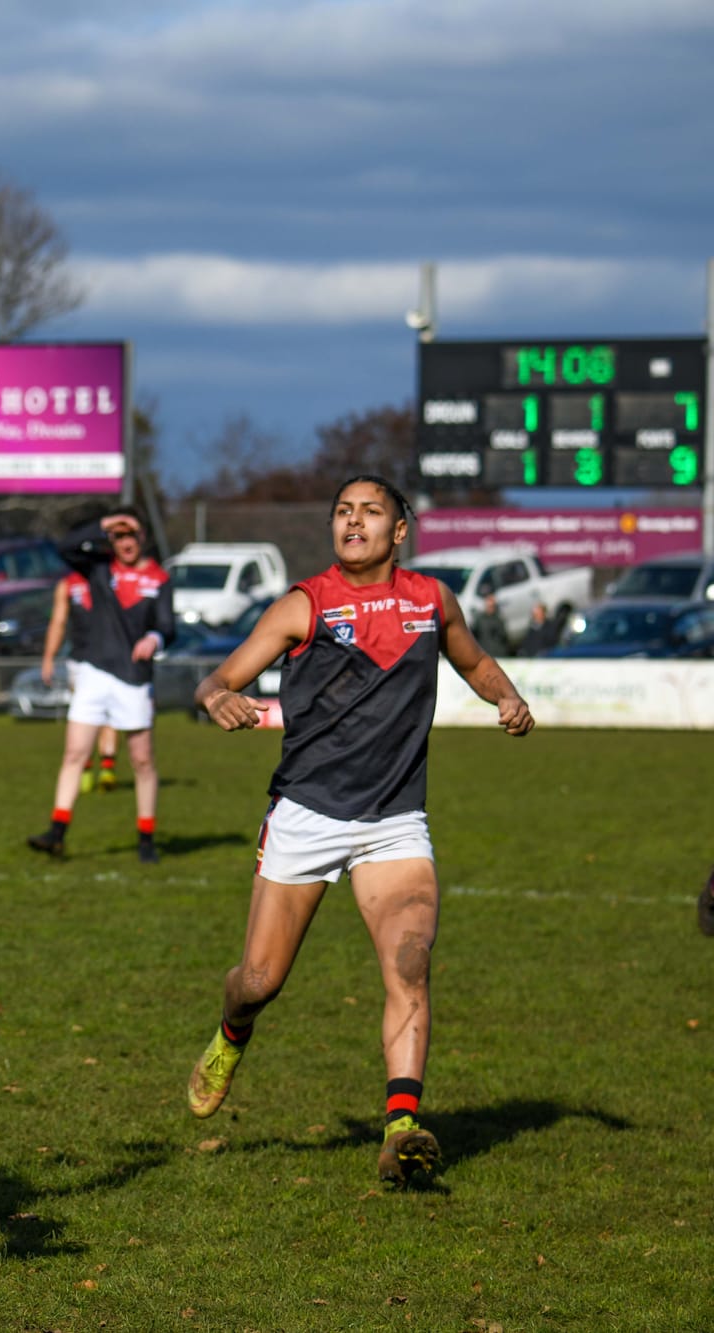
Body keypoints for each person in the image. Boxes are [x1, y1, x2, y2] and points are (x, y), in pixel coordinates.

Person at [184, 475, 534, 1188]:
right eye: (344, 512)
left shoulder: (433, 600)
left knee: (411, 962)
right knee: (258, 979)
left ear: (399, 530)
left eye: (370, 512)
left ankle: (401, 1126)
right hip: (308, 813)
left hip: (395, 821)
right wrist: (220, 697)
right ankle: (231, 1032)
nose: (353, 522)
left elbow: (472, 660)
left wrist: (507, 696)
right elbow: (216, 678)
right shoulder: (303, 604)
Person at [28, 508, 173, 863]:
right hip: (93, 673)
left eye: (130, 534)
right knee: (75, 753)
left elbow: (167, 626)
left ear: (142, 538)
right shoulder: (99, 568)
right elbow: (65, 547)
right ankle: (57, 833)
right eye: (118, 535)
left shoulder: (158, 579)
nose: (124, 541)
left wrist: (153, 639)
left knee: (141, 760)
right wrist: (103, 523)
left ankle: (146, 839)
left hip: (133, 679)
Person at [469, 591, 513, 656]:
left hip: (497, 654)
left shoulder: (499, 620)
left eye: (492, 605)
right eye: (489, 604)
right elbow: (473, 634)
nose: (490, 607)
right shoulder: (480, 619)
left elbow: (504, 638)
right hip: (484, 653)